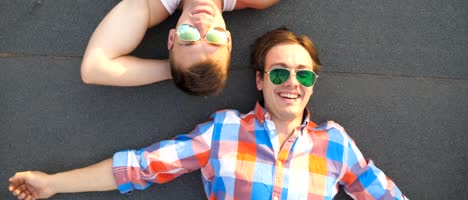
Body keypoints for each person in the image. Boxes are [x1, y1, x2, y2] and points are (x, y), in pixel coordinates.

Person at [9, 28, 408, 199]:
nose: (292, 81)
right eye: (280, 71)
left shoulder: (335, 145)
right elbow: (140, 167)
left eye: (303, 73)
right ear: (260, 79)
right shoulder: (225, 132)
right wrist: (53, 184)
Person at [80, 0, 365, 96]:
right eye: (213, 39)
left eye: (188, 37)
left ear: (170, 38)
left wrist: (178, 72)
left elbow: (94, 68)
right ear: (228, 40)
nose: (201, 24)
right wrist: (185, 66)